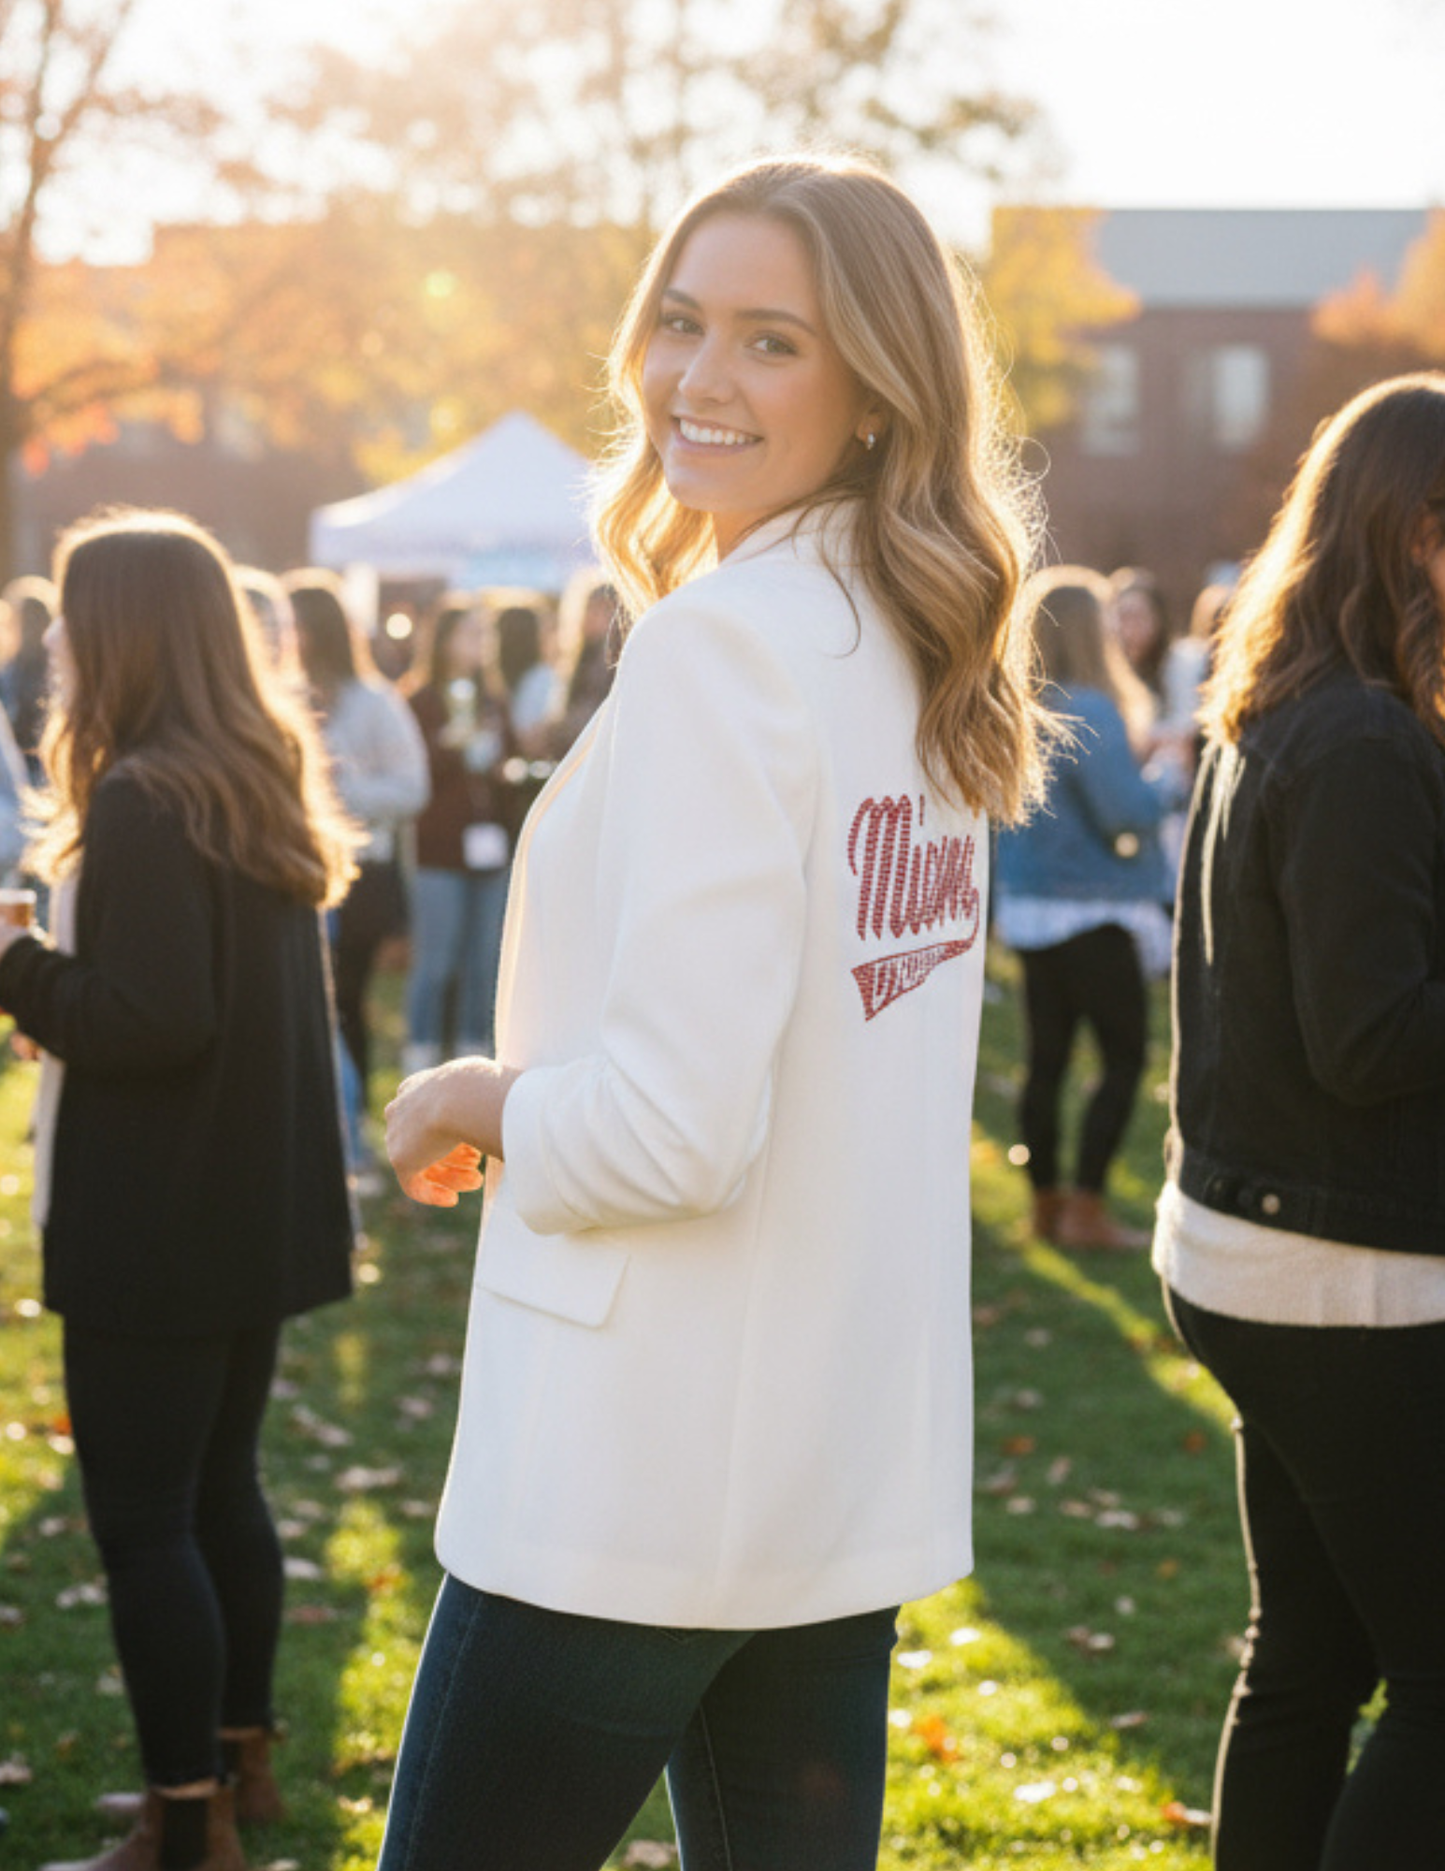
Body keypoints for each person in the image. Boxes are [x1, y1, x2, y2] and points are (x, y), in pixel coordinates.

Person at [376, 153, 1051, 1871]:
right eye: (682, 324)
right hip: (820, 1464)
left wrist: (476, 1096)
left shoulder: (733, 648)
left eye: (772, 342)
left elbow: (677, 1128)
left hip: (639, 1479)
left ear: (881, 391)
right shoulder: (910, 647)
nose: (700, 378)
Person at [0, 509, 359, 1871]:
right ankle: (238, 1763)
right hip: (245, 1204)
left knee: (149, 1520)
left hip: (158, 1218)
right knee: (221, 1494)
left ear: (125, 634)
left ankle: (184, 1816)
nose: (58, 649)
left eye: (74, 624)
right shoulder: (247, 779)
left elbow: (153, 1016)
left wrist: (17, 963)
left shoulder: (152, 796)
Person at [1155, 372, 1445, 1869]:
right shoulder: (1360, 741)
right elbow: (1373, 1032)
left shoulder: (1277, 703)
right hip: (1344, 1273)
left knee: (1310, 1656)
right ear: (1414, 531)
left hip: (1258, 1249)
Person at [994, 568, 1179, 1251]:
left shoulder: (1015, 706)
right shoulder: (1090, 708)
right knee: (1122, 1058)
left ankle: (1044, 1202)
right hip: (1092, 913)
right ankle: (1087, 1206)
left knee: (1044, 1062)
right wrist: (1170, 776)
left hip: (1031, 910)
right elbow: (1123, 817)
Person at [285, 570, 429, 1164]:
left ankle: (354, 1134)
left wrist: (341, 787)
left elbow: (411, 788)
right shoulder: (280, 695)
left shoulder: (375, 702)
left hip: (363, 873)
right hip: (294, 872)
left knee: (346, 1004)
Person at [402, 595, 516, 1073]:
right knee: (437, 961)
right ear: (445, 640)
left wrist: (500, 763)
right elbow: (413, 773)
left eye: (484, 634)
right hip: (440, 851)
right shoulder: (420, 700)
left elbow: (503, 763)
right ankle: (420, 1057)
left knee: (484, 963)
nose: (480, 643)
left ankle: (474, 1062)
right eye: (471, 633)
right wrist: (452, 749)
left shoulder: (492, 698)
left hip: (490, 848)